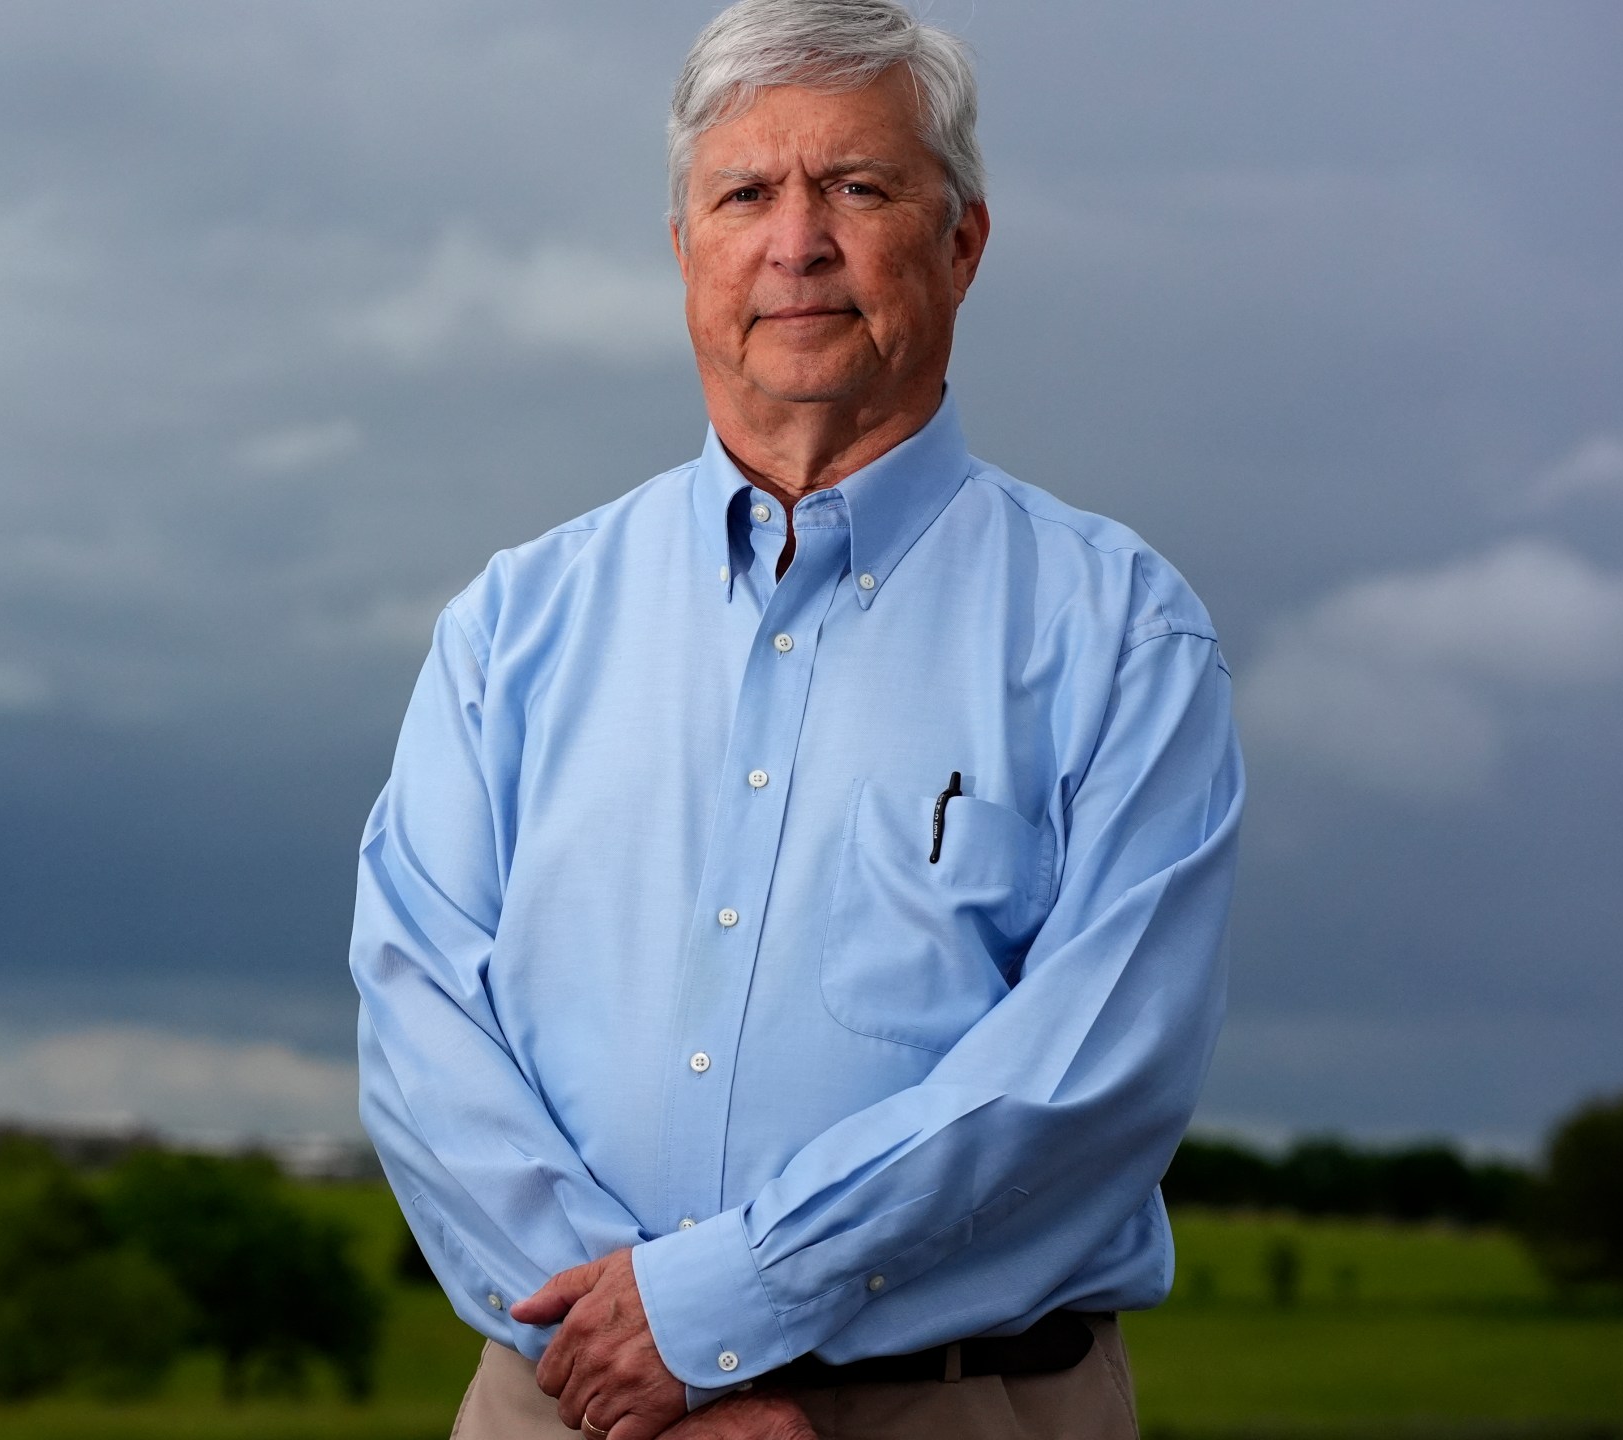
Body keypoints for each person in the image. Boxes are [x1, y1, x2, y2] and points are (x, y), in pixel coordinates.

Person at [350, 1, 1242, 1435]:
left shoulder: (1120, 631)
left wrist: (711, 1313)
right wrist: (636, 1361)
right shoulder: (512, 628)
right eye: (746, 193)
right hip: (561, 1405)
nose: (797, 241)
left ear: (962, 244)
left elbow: (1092, 1074)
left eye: (858, 187)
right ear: (683, 251)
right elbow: (418, 1020)